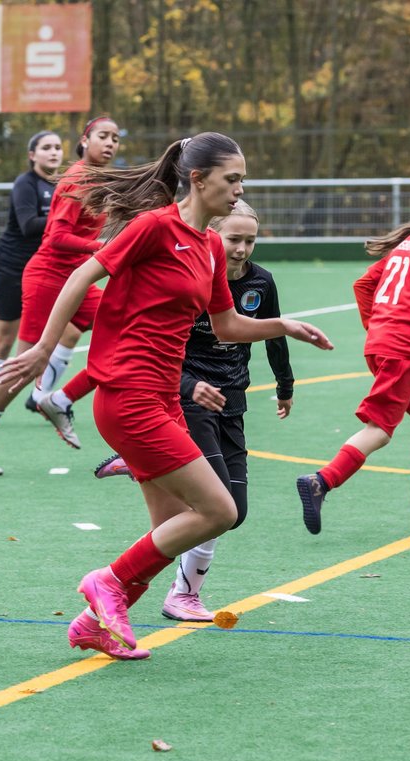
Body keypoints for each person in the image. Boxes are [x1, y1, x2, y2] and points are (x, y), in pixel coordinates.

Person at [0, 132, 333, 660]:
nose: (240, 189)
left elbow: (226, 325)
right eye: (232, 179)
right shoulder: (155, 227)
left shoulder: (209, 248)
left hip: (165, 401)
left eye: (242, 179)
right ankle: (106, 582)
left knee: (169, 529)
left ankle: (91, 625)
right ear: (198, 179)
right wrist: (43, 348)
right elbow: (83, 274)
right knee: (220, 510)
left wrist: (284, 326)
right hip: (127, 395)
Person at [94, 200, 295, 623]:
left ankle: (142, 468)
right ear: (214, 237)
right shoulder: (190, 275)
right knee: (214, 507)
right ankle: (182, 594)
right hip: (185, 400)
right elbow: (163, 343)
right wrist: (189, 386)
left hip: (231, 400)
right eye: (234, 239)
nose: (241, 249)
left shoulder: (261, 281)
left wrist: (285, 385)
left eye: (250, 241)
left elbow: (263, 334)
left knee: (232, 512)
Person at [295, 181, 410, 536]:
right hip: (401, 349)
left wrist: (376, 327)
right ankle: (321, 481)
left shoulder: (408, 244)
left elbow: (363, 286)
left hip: (385, 345)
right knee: (379, 431)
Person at [0, 117, 121, 476]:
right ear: (84, 141)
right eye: (103, 136)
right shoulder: (77, 179)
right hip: (48, 279)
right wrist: (101, 247)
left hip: (74, 280)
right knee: (25, 366)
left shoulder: (100, 179)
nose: (110, 143)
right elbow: (55, 237)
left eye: (115, 138)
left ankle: (61, 399)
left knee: (125, 330)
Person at [0, 130, 65, 415]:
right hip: (12, 268)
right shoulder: (25, 184)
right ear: (32, 155)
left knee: (66, 333)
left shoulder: (65, 185)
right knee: (5, 342)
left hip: (46, 271)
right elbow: (28, 224)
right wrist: (65, 218)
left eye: (57, 147)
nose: (53, 152)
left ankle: (41, 397)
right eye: (46, 147)